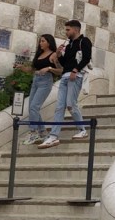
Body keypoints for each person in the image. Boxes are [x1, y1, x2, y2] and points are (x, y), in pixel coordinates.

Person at [38, 20, 92, 149]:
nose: (66, 32)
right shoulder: (68, 45)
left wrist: (75, 70)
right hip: (65, 76)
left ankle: (82, 130)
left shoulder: (84, 41)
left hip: (75, 76)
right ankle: (53, 136)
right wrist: (58, 55)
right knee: (59, 107)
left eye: (68, 29)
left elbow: (86, 58)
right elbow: (64, 63)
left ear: (76, 30)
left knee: (70, 104)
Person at [22, 34, 58, 144]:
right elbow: (32, 69)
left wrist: (49, 68)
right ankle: (42, 132)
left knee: (34, 106)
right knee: (32, 107)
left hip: (45, 81)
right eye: (40, 41)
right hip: (36, 80)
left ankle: (33, 132)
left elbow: (61, 70)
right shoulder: (39, 54)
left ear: (49, 42)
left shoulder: (53, 54)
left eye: (43, 41)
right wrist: (21, 67)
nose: (40, 43)